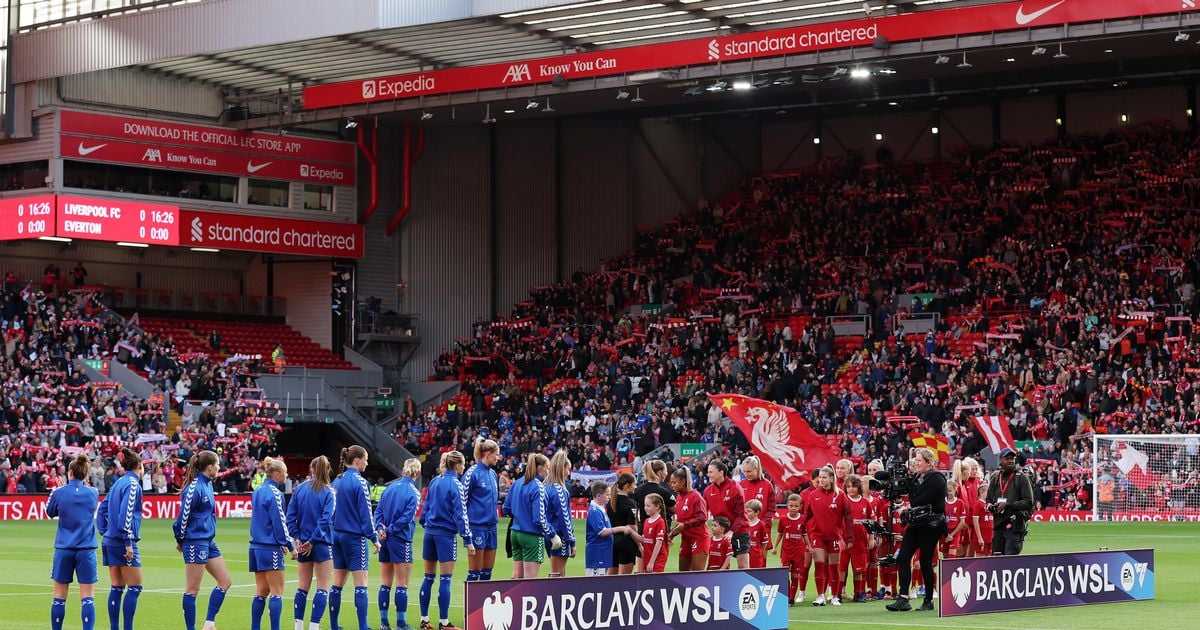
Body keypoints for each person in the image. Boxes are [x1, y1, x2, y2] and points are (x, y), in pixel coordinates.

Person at [174, 450, 232, 630]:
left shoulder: (207, 484)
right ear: (210, 467)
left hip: (208, 541)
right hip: (195, 540)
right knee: (192, 589)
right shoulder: (194, 487)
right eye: (218, 464)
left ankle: (209, 623)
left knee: (225, 581)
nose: (220, 467)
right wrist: (180, 539)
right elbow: (183, 516)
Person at [418, 451, 474, 630]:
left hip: (429, 534)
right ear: (457, 466)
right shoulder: (456, 484)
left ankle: (424, 619)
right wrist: (468, 539)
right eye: (463, 464)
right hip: (445, 536)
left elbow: (424, 509)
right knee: (445, 579)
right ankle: (444, 623)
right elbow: (461, 514)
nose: (464, 467)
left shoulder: (434, 481)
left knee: (428, 578)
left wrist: (426, 524)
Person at [886, 449, 946, 613]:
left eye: (919, 460)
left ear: (929, 462)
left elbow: (926, 498)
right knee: (903, 558)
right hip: (915, 524)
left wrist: (907, 507)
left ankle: (928, 600)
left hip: (931, 525)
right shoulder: (915, 477)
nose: (916, 463)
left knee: (926, 562)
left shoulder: (937, 478)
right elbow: (910, 495)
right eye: (916, 460)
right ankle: (903, 598)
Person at [48, 453, 99, 630]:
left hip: (64, 548)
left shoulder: (59, 492)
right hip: (86, 549)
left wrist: (58, 491)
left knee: (59, 596)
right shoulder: (93, 493)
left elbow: (50, 511)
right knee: (87, 597)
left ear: (69, 472)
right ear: (85, 473)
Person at [331, 445, 380, 630]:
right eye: (366, 459)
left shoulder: (337, 481)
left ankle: (334, 625)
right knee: (361, 584)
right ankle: (363, 626)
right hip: (354, 538)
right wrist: (373, 538)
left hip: (336, 536)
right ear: (357, 460)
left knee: (337, 583)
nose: (367, 463)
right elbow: (366, 514)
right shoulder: (360, 482)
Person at [286, 455, 336, 630]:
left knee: (302, 588)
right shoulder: (329, 492)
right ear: (327, 470)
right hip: (321, 543)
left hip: (302, 544)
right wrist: (313, 540)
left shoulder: (299, 489)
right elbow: (325, 520)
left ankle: (298, 626)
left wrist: (298, 538)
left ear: (311, 469)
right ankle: (314, 627)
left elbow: (290, 516)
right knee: (322, 588)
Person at [98, 448, 144, 630]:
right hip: (123, 542)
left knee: (117, 587)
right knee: (135, 587)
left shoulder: (118, 483)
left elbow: (102, 509)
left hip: (110, 540)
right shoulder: (133, 485)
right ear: (139, 466)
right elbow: (127, 514)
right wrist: (128, 542)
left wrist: (105, 531)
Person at [249, 457, 295, 630]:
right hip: (269, 548)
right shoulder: (275, 493)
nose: (287, 475)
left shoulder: (258, 490)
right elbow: (279, 522)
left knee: (261, 592)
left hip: (256, 546)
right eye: (285, 472)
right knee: (277, 592)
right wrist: (290, 545)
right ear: (277, 474)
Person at [376, 458, 421, 630]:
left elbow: (378, 511)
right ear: (417, 473)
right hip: (400, 539)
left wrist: (380, 528)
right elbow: (407, 518)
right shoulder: (413, 492)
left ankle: (384, 622)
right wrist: (391, 529)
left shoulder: (389, 488)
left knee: (385, 583)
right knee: (402, 583)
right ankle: (401, 623)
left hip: (384, 539)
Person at [504, 454, 559, 579]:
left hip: (515, 533)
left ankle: (513, 598)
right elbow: (539, 519)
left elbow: (505, 509)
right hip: (531, 535)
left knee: (517, 577)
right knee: (529, 581)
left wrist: (520, 514)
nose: (549, 471)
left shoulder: (517, 483)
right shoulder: (538, 486)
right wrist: (553, 535)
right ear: (540, 468)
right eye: (548, 468)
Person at [804, 465, 853, 606]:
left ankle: (835, 596)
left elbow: (848, 516)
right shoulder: (813, 495)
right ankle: (820, 596)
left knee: (833, 567)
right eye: (820, 477)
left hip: (834, 536)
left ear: (832, 479)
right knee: (819, 565)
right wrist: (800, 526)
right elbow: (807, 514)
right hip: (817, 535)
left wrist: (849, 537)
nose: (821, 480)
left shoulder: (840, 495)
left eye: (824, 477)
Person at [462, 439, 500, 582]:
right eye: (496, 454)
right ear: (488, 454)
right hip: (477, 527)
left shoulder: (493, 474)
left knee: (487, 574)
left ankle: (484, 605)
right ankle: (470, 604)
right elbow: (462, 502)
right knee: (474, 573)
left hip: (492, 528)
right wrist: (466, 530)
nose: (498, 458)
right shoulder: (472, 473)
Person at [985, 447, 1034, 556]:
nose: (1010, 461)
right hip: (998, 525)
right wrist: (991, 506)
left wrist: (1008, 505)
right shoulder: (995, 478)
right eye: (1007, 458)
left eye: (1012, 458)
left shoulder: (1021, 478)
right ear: (1000, 460)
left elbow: (1029, 502)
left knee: (1009, 560)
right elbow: (988, 500)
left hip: (1014, 526)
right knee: (996, 560)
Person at [703, 461, 749, 569]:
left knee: (743, 568)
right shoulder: (708, 491)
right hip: (720, 534)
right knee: (718, 567)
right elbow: (703, 513)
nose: (708, 475)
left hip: (739, 531)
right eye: (708, 472)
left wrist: (731, 532)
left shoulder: (735, 487)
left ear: (721, 473)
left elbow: (741, 514)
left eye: (711, 472)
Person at [585, 482, 631, 576]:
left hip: (603, 551)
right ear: (598, 495)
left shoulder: (600, 508)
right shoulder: (595, 511)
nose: (609, 497)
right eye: (607, 494)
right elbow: (602, 532)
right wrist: (621, 528)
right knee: (595, 584)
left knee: (602, 583)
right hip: (597, 552)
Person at [840, 475, 873, 602]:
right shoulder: (843, 501)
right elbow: (837, 522)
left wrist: (871, 538)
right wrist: (840, 539)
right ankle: (839, 593)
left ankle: (858, 593)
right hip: (845, 541)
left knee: (859, 570)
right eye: (848, 487)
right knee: (842, 569)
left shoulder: (865, 502)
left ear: (859, 487)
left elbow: (871, 522)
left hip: (860, 541)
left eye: (854, 486)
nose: (851, 489)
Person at [668, 467, 708, 572]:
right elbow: (681, 522)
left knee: (697, 576)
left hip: (699, 538)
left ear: (683, 481)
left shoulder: (696, 496)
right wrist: (672, 534)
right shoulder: (679, 497)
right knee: (683, 574)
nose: (672, 485)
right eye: (671, 482)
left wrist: (685, 525)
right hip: (686, 540)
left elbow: (703, 517)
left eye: (674, 482)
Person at [543, 451, 576, 578]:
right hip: (559, 536)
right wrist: (572, 541)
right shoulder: (560, 491)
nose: (569, 473)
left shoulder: (545, 486)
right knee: (558, 575)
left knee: (555, 573)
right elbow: (565, 519)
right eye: (568, 469)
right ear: (562, 468)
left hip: (548, 534)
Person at [607, 472, 642, 574]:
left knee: (611, 579)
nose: (635, 487)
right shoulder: (630, 503)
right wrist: (639, 545)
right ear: (627, 486)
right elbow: (632, 528)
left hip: (612, 542)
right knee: (624, 581)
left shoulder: (611, 502)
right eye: (634, 484)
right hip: (626, 543)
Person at [774, 493, 806, 605]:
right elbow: (779, 534)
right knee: (784, 574)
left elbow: (805, 534)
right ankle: (786, 596)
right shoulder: (783, 519)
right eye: (791, 505)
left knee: (795, 575)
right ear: (787, 505)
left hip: (798, 552)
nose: (793, 508)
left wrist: (809, 546)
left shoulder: (802, 519)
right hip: (786, 552)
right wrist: (775, 547)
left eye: (796, 506)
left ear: (800, 507)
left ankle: (791, 598)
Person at [641, 493, 669, 573]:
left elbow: (658, 543)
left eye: (648, 506)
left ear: (657, 506)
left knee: (655, 582)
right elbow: (644, 539)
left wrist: (651, 562)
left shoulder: (660, 522)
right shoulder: (646, 521)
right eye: (645, 505)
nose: (645, 508)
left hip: (657, 559)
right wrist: (631, 532)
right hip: (648, 556)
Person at [943, 479, 970, 558]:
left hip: (955, 532)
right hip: (944, 532)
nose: (948, 493)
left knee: (952, 555)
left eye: (950, 491)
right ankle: (945, 570)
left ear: (955, 490)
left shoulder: (960, 503)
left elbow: (962, 522)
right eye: (947, 491)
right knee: (945, 556)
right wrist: (946, 534)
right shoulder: (942, 502)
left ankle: (952, 570)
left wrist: (951, 535)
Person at [745, 500, 772, 568]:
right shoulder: (744, 523)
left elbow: (764, 542)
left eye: (749, 511)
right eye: (746, 511)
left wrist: (760, 552)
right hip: (745, 555)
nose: (747, 513)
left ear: (757, 512)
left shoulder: (761, 524)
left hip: (756, 556)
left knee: (755, 574)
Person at [972, 484, 994, 557]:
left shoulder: (990, 504)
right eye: (988, 492)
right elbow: (975, 522)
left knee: (989, 558)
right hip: (982, 536)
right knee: (980, 558)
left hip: (989, 536)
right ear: (981, 493)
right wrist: (980, 538)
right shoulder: (977, 504)